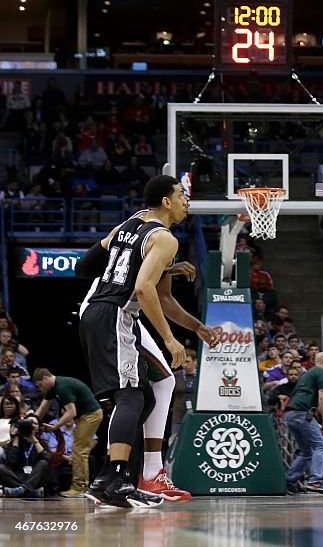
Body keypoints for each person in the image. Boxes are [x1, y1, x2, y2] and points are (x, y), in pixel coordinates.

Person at [73, 208, 217, 502]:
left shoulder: (131, 224)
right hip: (114, 311)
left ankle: (123, 475)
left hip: (111, 313)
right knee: (131, 395)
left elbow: (161, 297)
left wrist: (197, 326)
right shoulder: (162, 238)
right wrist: (170, 339)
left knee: (151, 393)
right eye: (182, 195)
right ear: (166, 201)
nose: (187, 202)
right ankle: (125, 475)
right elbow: (143, 288)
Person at [31, 369, 103, 498]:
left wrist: (55, 426)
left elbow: (71, 412)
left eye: (39, 385)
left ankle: (79, 488)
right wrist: (33, 419)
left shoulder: (62, 386)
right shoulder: (53, 388)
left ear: (45, 378)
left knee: (79, 450)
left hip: (90, 415)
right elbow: (43, 408)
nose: (39, 389)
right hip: (84, 416)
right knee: (79, 449)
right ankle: (80, 486)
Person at [284, 353, 323, 495]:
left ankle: (289, 480)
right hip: (301, 413)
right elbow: (322, 397)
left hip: (290, 414)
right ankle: (315, 481)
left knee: (306, 451)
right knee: (321, 446)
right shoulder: (321, 372)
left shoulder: (307, 375)